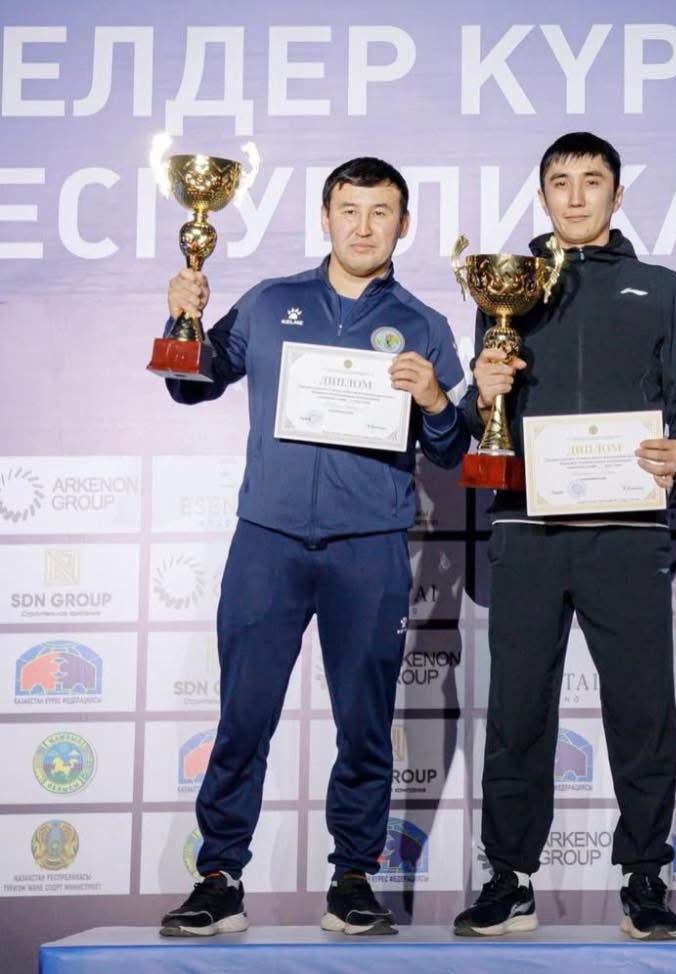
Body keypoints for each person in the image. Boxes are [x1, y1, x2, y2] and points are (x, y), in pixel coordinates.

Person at [157, 157, 468, 937]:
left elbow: (454, 449)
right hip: (268, 540)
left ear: (403, 224)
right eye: (349, 210)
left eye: (380, 212)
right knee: (244, 715)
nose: (364, 227)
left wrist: (434, 398)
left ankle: (353, 879)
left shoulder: (424, 324)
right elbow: (191, 385)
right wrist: (181, 322)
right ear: (325, 217)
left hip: (369, 545)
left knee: (364, 725)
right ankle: (219, 877)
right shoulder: (270, 302)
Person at [453, 132, 676, 941]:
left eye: (591, 181)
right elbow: (483, 410)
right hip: (526, 524)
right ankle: (510, 878)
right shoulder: (508, 284)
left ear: (616, 195)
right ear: (541, 194)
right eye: (559, 182)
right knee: (517, 711)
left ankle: (644, 875)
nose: (574, 196)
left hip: (626, 528)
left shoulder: (658, 287)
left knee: (640, 710)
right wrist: (479, 392)